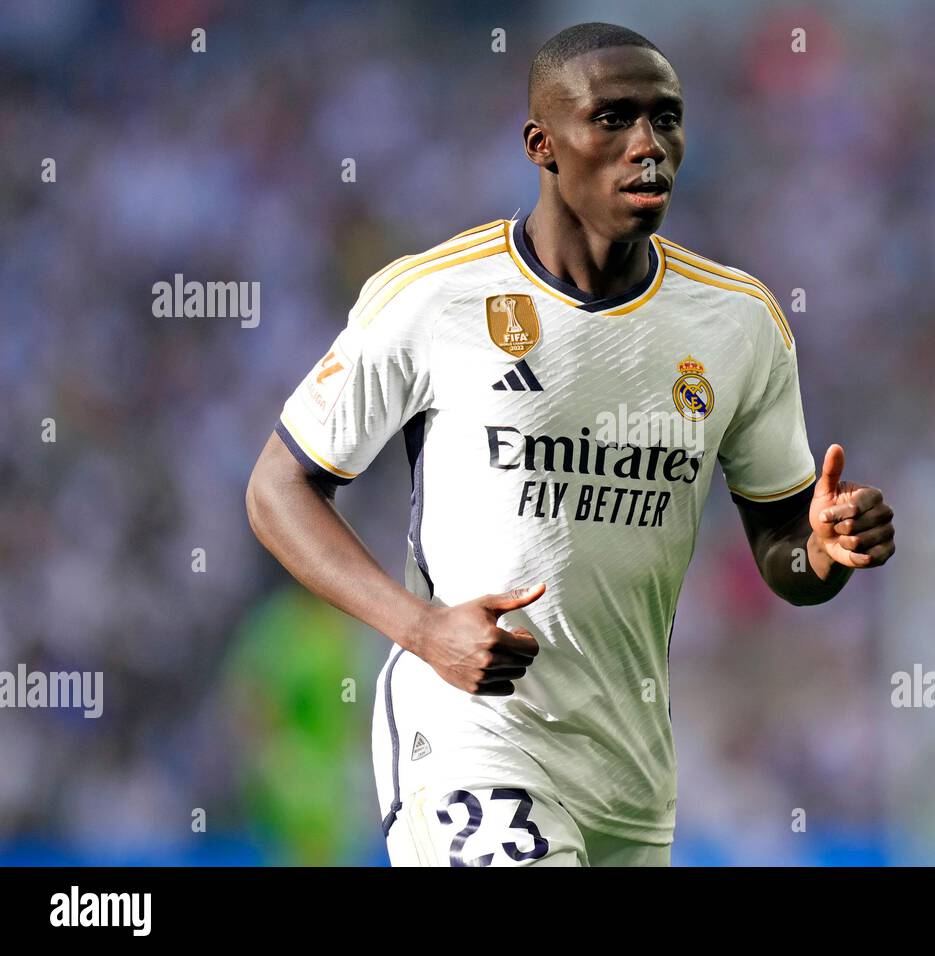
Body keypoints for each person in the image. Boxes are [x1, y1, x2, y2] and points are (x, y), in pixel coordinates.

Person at [246, 21, 895, 867]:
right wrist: (424, 628)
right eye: (614, 119)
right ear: (542, 144)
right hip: (472, 742)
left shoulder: (739, 323)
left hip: (629, 772)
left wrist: (823, 550)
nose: (648, 146)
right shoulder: (434, 298)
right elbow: (278, 488)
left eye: (667, 119)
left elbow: (784, 553)